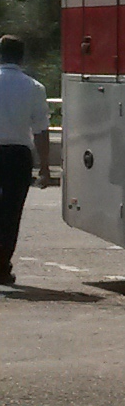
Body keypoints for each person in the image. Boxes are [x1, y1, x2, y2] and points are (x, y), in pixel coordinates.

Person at [0, 33, 52, 285]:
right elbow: (41, 129)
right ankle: (1, 265)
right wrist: (44, 166)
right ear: (21, 57)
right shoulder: (34, 87)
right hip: (17, 155)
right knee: (11, 213)